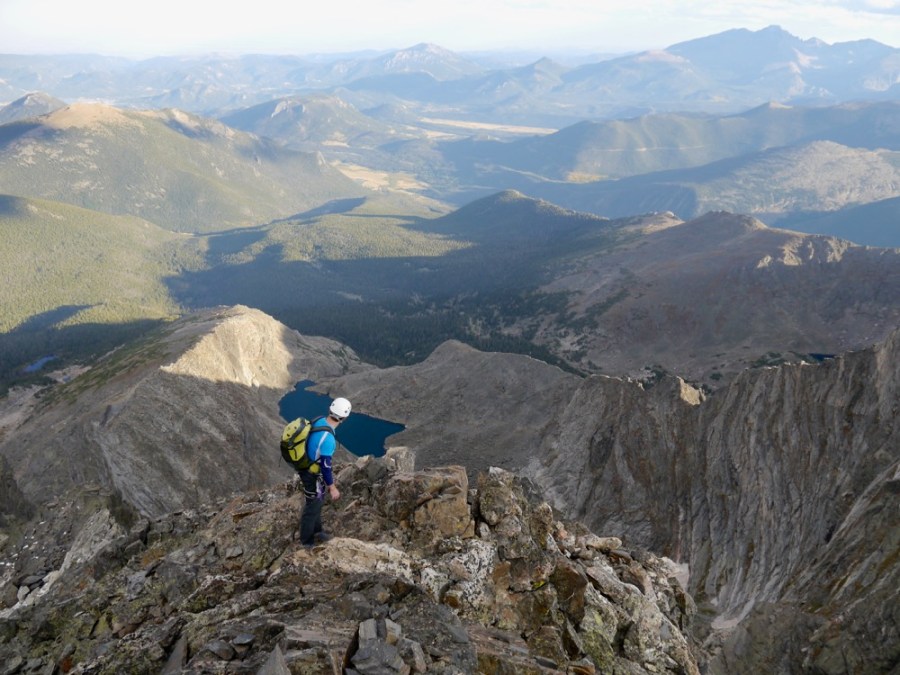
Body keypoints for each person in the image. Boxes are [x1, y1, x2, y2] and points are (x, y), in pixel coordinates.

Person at [298, 396, 350, 547]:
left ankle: (317, 531)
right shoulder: (328, 439)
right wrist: (332, 488)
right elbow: (326, 467)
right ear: (344, 418)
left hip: (307, 467)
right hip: (312, 474)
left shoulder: (319, 420)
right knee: (312, 506)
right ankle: (307, 542)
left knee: (317, 502)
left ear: (330, 410)